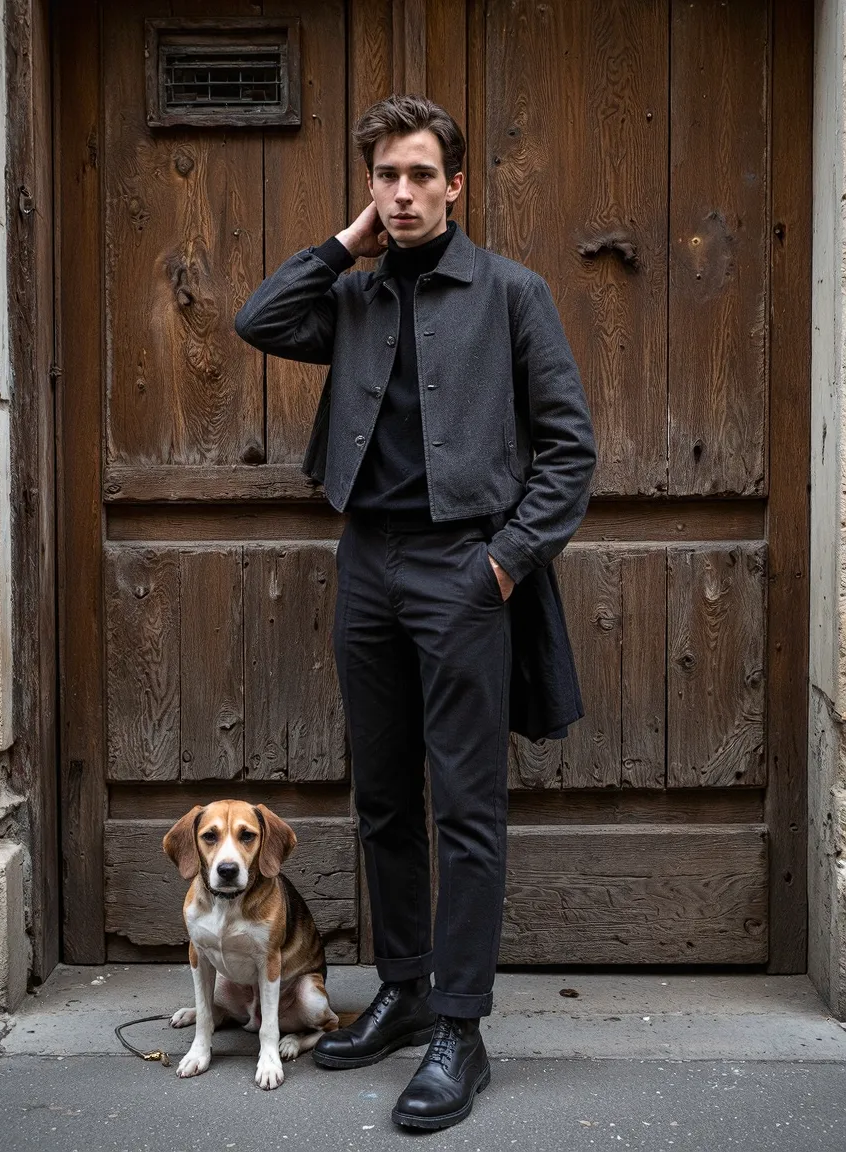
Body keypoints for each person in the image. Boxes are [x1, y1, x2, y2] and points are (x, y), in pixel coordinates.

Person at [235, 94, 596, 1131]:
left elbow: (569, 449)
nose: (399, 194)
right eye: (383, 177)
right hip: (368, 567)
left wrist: (501, 566)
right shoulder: (350, 298)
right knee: (384, 798)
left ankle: (459, 1026)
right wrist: (342, 243)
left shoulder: (511, 295)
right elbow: (257, 318)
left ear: (455, 185)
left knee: (467, 810)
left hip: (462, 571)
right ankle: (399, 988)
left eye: (416, 176)